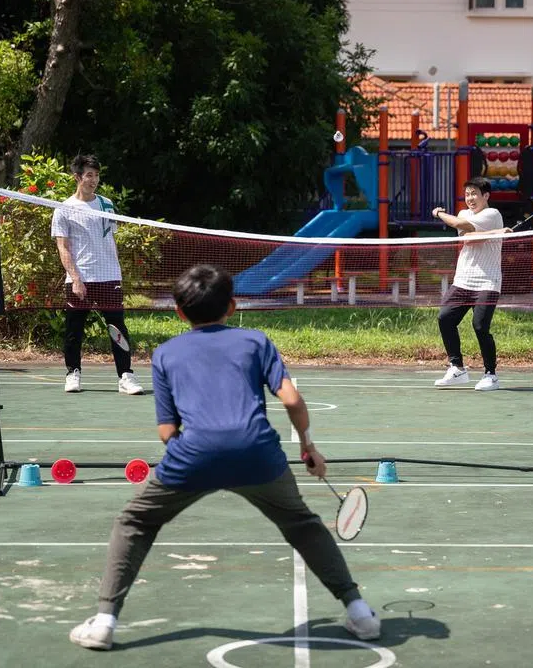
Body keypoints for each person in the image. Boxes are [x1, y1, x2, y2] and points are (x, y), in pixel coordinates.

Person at [68, 264, 380, 650]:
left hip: (191, 457)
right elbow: (293, 400)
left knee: (135, 522)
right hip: (259, 455)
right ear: (232, 307)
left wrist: (200, 457)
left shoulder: (165, 354)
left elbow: (167, 432)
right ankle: (361, 614)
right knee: (302, 525)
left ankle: (104, 623)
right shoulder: (256, 342)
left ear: (179, 313)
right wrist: (308, 447)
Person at [50, 154, 142, 395]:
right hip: (80, 278)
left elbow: (109, 239)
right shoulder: (63, 209)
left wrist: (116, 270)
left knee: (118, 328)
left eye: (97, 175)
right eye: (89, 175)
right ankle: (73, 373)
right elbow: (63, 247)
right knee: (74, 329)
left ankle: (125, 376)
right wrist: (76, 278)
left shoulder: (106, 204)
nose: (94, 180)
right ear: (77, 177)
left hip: (109, 276)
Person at [431, 177, 511, 391]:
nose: (470, 198)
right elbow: (468, 238)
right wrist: (495, 233)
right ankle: (457, 368)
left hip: (488, 280)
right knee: (445, 319)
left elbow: (466, 231)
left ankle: (491, 374)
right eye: (467, 194)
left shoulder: (492, 214)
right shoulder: (464, 214)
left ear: (486, 196)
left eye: (474, 193)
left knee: (480, 326)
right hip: (463, 279)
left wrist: (438, 213)